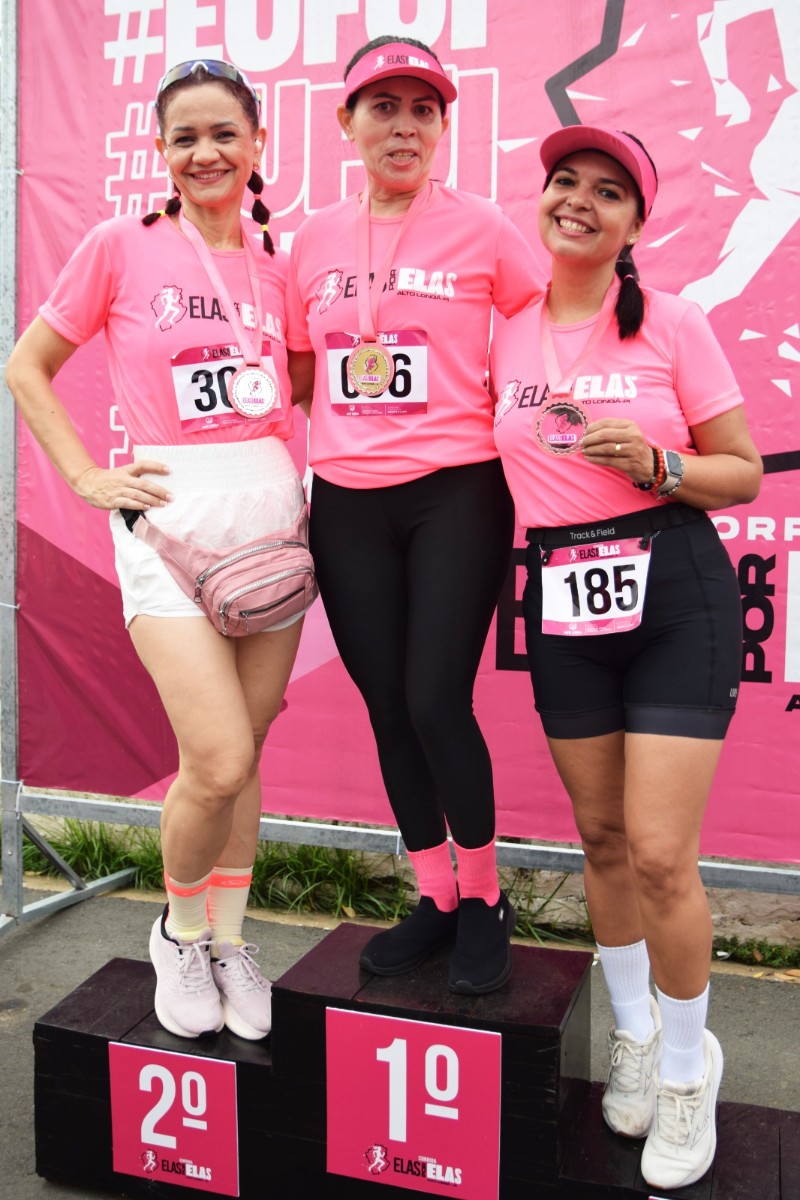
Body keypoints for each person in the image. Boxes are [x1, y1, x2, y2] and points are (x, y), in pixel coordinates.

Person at [6, 59, 310, 1042]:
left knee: (245, 755)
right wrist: (88, 474)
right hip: (167, 523)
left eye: (224, 132)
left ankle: (229, 935)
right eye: (184, 136)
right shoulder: (118, 246)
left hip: (269, 527)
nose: (205, 152)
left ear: (258, 144)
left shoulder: (276, 263)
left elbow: (305, 386)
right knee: (214, 757)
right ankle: (178, 933)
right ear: (160, 151)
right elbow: (29, 365)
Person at [490, 125, 762, 1189]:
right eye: (565, 183)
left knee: (658, 853)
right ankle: (638, 1037)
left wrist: (658, 463)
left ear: (634, 226)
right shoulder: (504, 334)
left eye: (607, 193)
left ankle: (689, 1072)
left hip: (672, 596)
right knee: (599, 839)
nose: (579, 203)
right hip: (561, 598)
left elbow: (738, 472)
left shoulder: (672, 323)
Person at [285, 36, 546, 994]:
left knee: (437, 694)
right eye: (383, 108)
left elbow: (541, 338)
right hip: (348, 500)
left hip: (457, 490)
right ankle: (434, 895)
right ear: (347, 123)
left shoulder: (485, 228)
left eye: (423, 110)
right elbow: (300, 369)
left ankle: (485, 898)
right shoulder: (310, 239)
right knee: (388, 703)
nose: (404, 127)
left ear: (444, 124)